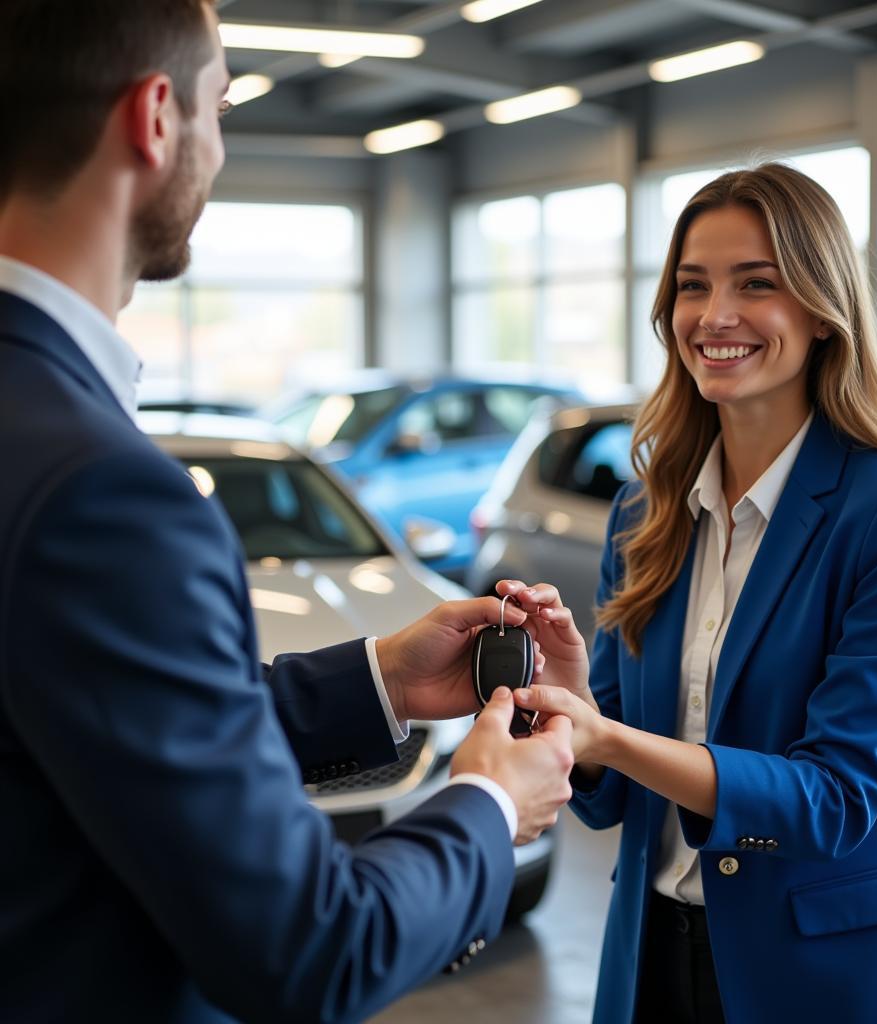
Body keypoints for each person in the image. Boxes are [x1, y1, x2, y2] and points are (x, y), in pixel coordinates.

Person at [0, 3, 574, 1022]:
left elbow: (94, 719)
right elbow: (313, 951)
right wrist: (488, 801)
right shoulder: (103, 490)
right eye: (222, 107)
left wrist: (377, 679)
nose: (219, 150)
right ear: (156, 117)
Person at [501, 163, 877, 1023]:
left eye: (757, 283)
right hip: (650, 957)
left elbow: (838, 800)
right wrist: (572, 712)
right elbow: (606, 800)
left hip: (828, 970)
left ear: (823, 311)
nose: (715, 316)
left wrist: (613, 736)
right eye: (693, 286)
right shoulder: (646, 510)